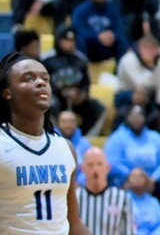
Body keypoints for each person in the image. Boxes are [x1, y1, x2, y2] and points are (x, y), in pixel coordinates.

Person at [0, 52, 91, 234]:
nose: (41, 82)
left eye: (45, 79)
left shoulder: (65, 148)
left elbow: (74, 224)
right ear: (7, 92)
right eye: (28, 78)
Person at [41, 24, 107, 136]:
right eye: (66, 40)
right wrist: (60, 91)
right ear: (58, 40)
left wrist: (82, 95)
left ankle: (84, 137)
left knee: (98, 108)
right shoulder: (47, 59)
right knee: (49, 104)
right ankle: (55, 135)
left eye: (72, 40)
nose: (69, 43)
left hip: (76, 100)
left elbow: (86, 83)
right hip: (56, 98)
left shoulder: (81, 60)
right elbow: (43, 83)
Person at [104, 105, 160, 188]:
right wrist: (132, 176)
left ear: (144, 118)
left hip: (153, 181)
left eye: (139, 115)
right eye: (133, 116)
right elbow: (112, 162)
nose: (136, 119)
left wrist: (153, 178)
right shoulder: (116, 137)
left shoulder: (156, 137)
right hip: (125, 179)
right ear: (127, 118)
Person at [75, 147, 135, 235]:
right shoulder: (74, 198)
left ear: (108, 167)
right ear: (82, 169)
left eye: (99, 164)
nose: (95, 169)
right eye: (90, 165)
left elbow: (128, 232)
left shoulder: (122, 198)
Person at [114, 35, 160, 131]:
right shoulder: (128, 60)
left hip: (150, 95)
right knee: (137, 98)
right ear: (139, 48)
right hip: (126, 95)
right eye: (146, 48)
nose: (149, 52)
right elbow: (140, 84)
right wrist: (152, 67)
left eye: (152, 49)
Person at [72, 0, 128, 66]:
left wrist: (112, 35)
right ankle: (81, 69)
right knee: (80, 39)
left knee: (122, 41)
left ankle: (119, 72)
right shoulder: (81, 9)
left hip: (108, 44)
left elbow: (120, 28)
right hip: (91, 44)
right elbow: (78, 28)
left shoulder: (113, 9)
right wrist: (97, 36)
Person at [126, 168, 160, 235]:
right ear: (128, 180)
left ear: (146, 180)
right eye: (133, 176)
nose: (137, 178)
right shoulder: (123, 200)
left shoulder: (153, 201)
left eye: (140, 176)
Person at [56, 110, 92, 184]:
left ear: (76, 124)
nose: (68, 125)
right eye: (64, 122)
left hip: (81, 187)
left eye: (71, 121)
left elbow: (90, 167)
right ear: (58, 124)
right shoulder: (52, 143)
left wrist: (80, 182)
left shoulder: (85, 144)